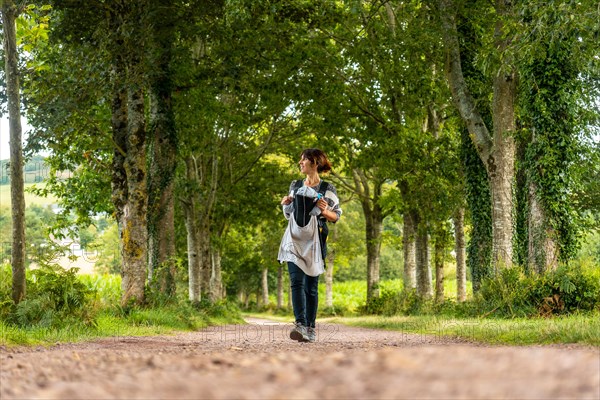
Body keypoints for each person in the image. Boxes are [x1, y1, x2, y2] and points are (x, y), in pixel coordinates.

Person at [277, 148, 342, 343]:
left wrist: (324, 210)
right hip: (294, 241)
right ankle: (300, 325)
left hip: (315, 241)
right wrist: (286, 203)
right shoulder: (295, 186)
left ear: (314, 162)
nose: (300, 163)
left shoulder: (327, 189)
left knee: (311, 288)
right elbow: (290, 215)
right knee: (296, 282)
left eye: (303, 160)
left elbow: (336, 215)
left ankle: (311, 328)